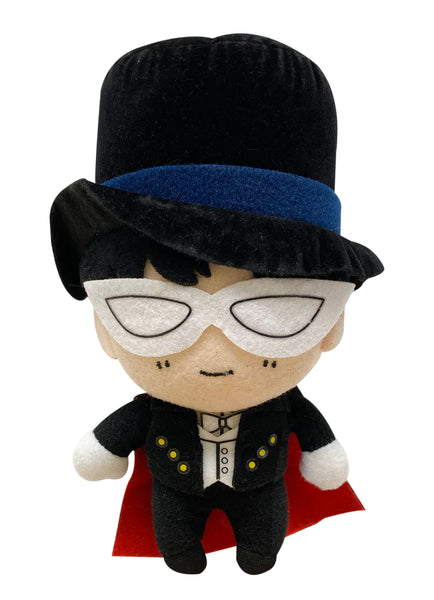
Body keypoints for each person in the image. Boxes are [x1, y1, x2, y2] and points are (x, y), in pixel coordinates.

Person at [50, 34, 383, 574]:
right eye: (153, 311)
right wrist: (105, 447)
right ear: (105, 326)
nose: (215, 356)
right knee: (177, 539)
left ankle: (259, 550)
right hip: (176, 486)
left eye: (275, 310)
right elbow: (120, 432)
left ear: (332, 322)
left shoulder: (286, 402)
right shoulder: (154, 405)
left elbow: (312, 432)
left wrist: (323, 451)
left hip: (260, 484)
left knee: (262, 545)